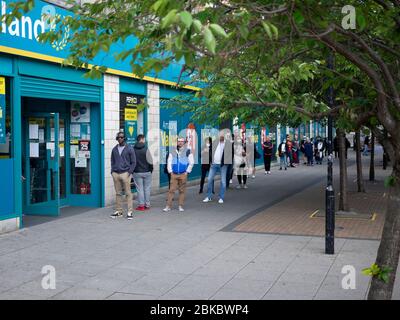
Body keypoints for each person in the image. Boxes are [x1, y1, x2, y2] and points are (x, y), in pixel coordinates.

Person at [110, 131, 137, 220]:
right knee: (118, 193)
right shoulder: (114, 149)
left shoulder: (129, 148)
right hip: (116, 173)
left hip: (125, 173)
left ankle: (129, 212)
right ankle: (119, 211)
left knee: (128, 193)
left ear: (124, 138)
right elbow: (112, 161)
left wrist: (129, 172)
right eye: (118, 138)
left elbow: (133, 162)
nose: (120, 139)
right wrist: (112, 171)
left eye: (121, 137)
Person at [163, 137, 194, 212]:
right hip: (174, 174)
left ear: (184, 142)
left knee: (182, 191)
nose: (180, 142)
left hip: (183, 174)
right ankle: (168, 206)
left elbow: (191, 162)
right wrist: (170, 172)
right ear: (176, 142)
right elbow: (169, 162)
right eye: (178, 141)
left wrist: (187, 172)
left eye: (181, 141)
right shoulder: (172, 151)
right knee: (171, 190)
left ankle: (180, 206)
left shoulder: (188, 151)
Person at [203, 133, 232, 204]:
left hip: (223, 165)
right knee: (209, 179)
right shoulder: (215, 143)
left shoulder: (228, 144)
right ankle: (209, 196)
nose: (220, 137)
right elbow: (210, 151)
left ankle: (221, 197)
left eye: (222, 135)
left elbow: (231, 154)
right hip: (214, 164)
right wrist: (210, 161)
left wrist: (226, 162)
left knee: (223, 182)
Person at [133, 134, 153, 211]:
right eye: (144, 139)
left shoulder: (133, 149)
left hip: (137, 172)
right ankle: (147, 205)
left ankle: (141, 205)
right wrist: (150, 170)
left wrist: (133, 170)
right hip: (147, 171)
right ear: (142, 139)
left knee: (139, 189)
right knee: (147, 188)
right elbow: (150, 161)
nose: (145, 140)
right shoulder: (146, 148)